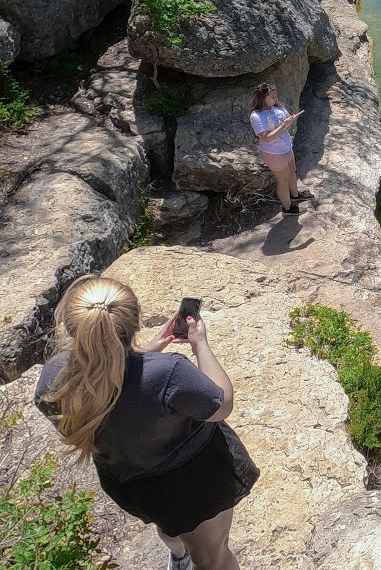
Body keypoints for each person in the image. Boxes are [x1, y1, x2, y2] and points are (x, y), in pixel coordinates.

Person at [34, 276, 258, 570]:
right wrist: (200, 345)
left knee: (167, 523)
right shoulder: (169, 373)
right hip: (192, 482)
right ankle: (191, 558)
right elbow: (221, 405)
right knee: (211, 558)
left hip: (131, 481)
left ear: (73, 327)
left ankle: (179, 558)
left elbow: (110, 387)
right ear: (135, 321)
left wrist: (147, 353)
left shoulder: (53, 379)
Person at [249, 83, 312, 216]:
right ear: (262, 98)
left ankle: (295, 195)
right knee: (282, 180)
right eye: (272, 97)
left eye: (276, 96)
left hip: (286, 148)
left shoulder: (277, 108)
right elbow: (266, 138)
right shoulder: (257, 116)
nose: (276, 99)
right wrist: (284, 125)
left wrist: (290, 120)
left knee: (292, 173)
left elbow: (286, 121)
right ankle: (287, 208)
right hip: (273, 153)